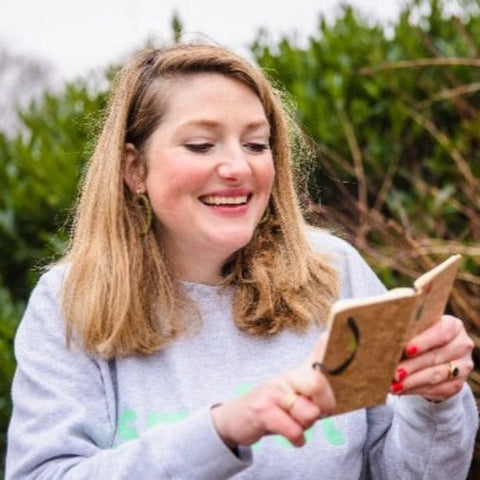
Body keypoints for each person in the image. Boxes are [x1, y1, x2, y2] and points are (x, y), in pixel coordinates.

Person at [6, 41, 478, 480]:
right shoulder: (69, 301)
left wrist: (435, 398)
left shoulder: (334, 272)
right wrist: (223, 430)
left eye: (256, 144)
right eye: (201, 145)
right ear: (135, 169)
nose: (238, 168)